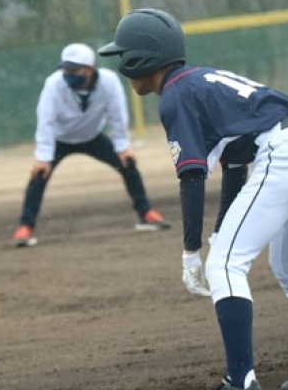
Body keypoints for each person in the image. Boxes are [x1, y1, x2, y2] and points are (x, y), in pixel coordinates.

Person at [98, 9, 288, 390]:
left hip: (286, 154)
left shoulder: (176, 95)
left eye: (123, 55)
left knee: (224, 266)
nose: (120, 65)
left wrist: (191, 251)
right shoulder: (197, 81)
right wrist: (220, 230)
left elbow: (192, 176)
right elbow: (234, 163)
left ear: (141, 59)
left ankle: (240, 386)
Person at [11, 42, 170, 247]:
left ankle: (146, 214)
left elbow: (117, 115)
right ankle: (25, 227)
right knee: (39, 175)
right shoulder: (54, 83)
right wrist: (43, 158)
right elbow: (45, 120)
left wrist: (122, 146)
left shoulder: (108, 82)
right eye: (66, 69)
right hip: (61, 139)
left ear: (89, 69)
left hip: (92, 136)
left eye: (74, 69)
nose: (68, 74)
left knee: (128, 163)